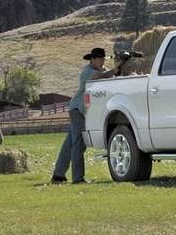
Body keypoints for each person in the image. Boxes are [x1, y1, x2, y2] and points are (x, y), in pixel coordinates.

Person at [51, 47, 124, 184]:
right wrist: (113, 70)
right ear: (93, 59)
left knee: (69, 144)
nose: (102, 62)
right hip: (78, 110)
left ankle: (58, 175)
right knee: (79, 144)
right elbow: (96, 78)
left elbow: (110, 76)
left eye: (104, 59)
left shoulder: (101, 70)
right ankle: (78, 178)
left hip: (81, 111)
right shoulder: (87, 72)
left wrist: (117, 69)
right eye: (100, 59)